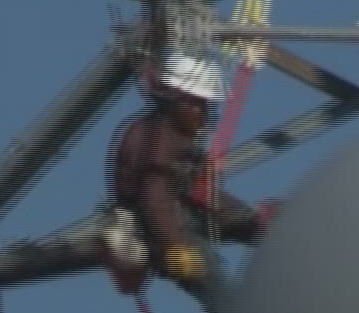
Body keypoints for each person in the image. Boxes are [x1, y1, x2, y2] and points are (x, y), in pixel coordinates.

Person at [101, 53, 278, 297]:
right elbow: (155, 199)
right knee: (215, 286)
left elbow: (199, 191)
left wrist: (252, 217)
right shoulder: (155, 140)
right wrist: (174, 247)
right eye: (194, 103)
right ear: (171, 102)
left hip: (186, 214)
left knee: (277, 223)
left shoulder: (178, 137)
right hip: (163, 228)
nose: (201, 111)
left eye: (204, 104)